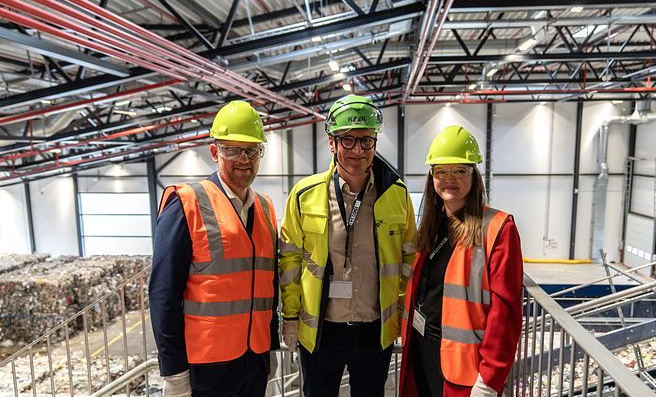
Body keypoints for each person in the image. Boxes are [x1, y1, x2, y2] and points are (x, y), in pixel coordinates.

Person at [278, 95, 416, 397]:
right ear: (331, 142)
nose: (358, 150)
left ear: (375, 142)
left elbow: (409, 259)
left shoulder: (396, 194)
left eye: (366, 141)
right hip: (322, 331)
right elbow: (289, 261)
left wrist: (402, 317)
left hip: (374, 330)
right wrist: (289, 317)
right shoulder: (305, 195)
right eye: (348, 140)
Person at [149, 100, 279, 397]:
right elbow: (163, 295)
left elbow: (269, 288)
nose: (243, 159)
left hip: (254, 359)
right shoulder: (186, 204)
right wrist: (174, 371)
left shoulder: (266, 208)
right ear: (214, 152)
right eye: (232, 150)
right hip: (206, 365)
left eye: (252, 150)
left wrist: (269, 348)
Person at [399, 126, 523, 397]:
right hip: (422, 352)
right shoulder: (432, 227)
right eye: (441, 171)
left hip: (463, 370)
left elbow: (506, 314)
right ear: (432, 176)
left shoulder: (498, 228)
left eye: (459, 170)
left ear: (473, 175)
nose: (449, 179)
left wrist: (490, 379)